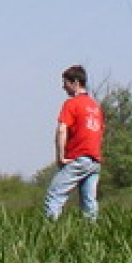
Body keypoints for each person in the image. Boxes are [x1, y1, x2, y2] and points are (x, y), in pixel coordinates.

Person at [43, 64, 104, 221]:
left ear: (75, 82)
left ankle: (50, 232)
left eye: (65, 83)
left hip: (79, 157)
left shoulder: (71, 104)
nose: (63, 87)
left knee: (54, 194)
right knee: (88, 202)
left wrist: (61, 156)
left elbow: (62, 130)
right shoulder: (95, 106)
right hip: (95, 160)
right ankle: (92, 234)